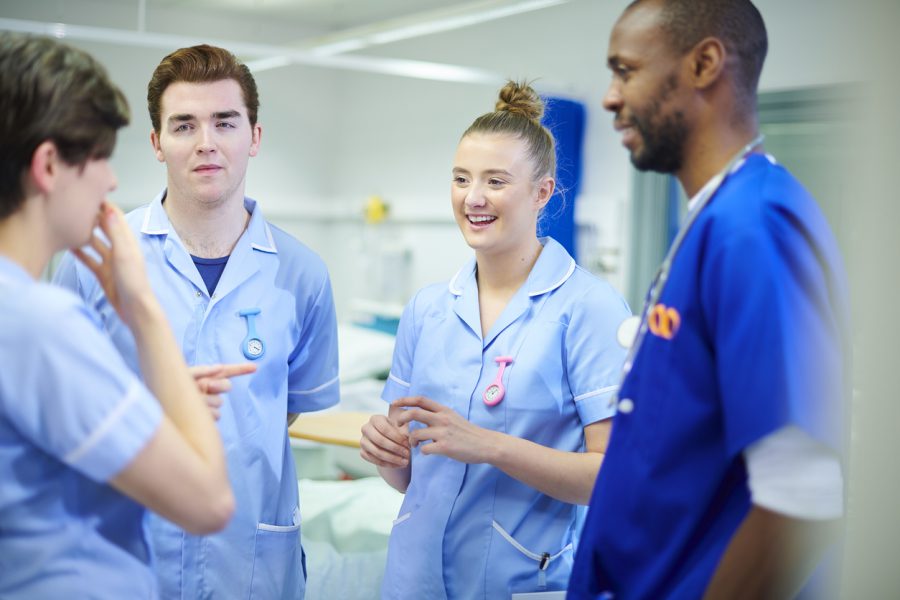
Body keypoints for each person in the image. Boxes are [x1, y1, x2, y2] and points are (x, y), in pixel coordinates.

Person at [568, 1, 850, 598]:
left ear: (704, 64)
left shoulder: (754, 226)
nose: (610, 98)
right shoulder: (713, 220)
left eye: (625, 70)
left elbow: (803, 496)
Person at [54, 44, 340, 599]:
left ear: (254, 137)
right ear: (158, 143)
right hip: (126, 553)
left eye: (225, 122)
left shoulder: (302, 274)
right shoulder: (94, 258)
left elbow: (286, 411)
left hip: (253, 560)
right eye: (184, 124)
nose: (206, 142)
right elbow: (54, 410)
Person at [359, 81, 631, 599]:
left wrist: (491, 447)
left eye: (495, 181)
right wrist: (387, 455)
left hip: (518, 581)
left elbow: (613, 479)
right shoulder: (428, 309)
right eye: (461, 179)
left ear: (542, 192)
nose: (473, 198)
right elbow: (412, 477)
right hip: (412, 580)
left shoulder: (588, 308)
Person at [0, 33, 240, 597]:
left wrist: (150, 400)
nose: (110, 181)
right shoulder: (40, 322)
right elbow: (209, 502)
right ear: (49, 166)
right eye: (101, 158)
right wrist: (143, 308)